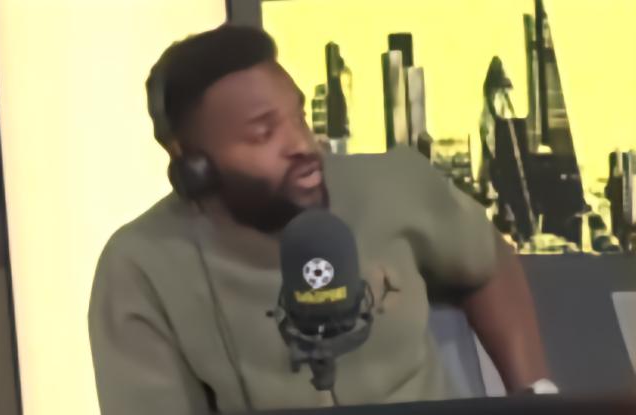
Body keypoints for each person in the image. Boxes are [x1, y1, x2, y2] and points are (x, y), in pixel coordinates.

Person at [88, 25, 553, 415]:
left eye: (299, 117)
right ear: (193, 163)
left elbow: (488, 261)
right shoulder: (141, 267)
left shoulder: (392, 184)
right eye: (264, 133)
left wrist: (536, 394)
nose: (301, 144)